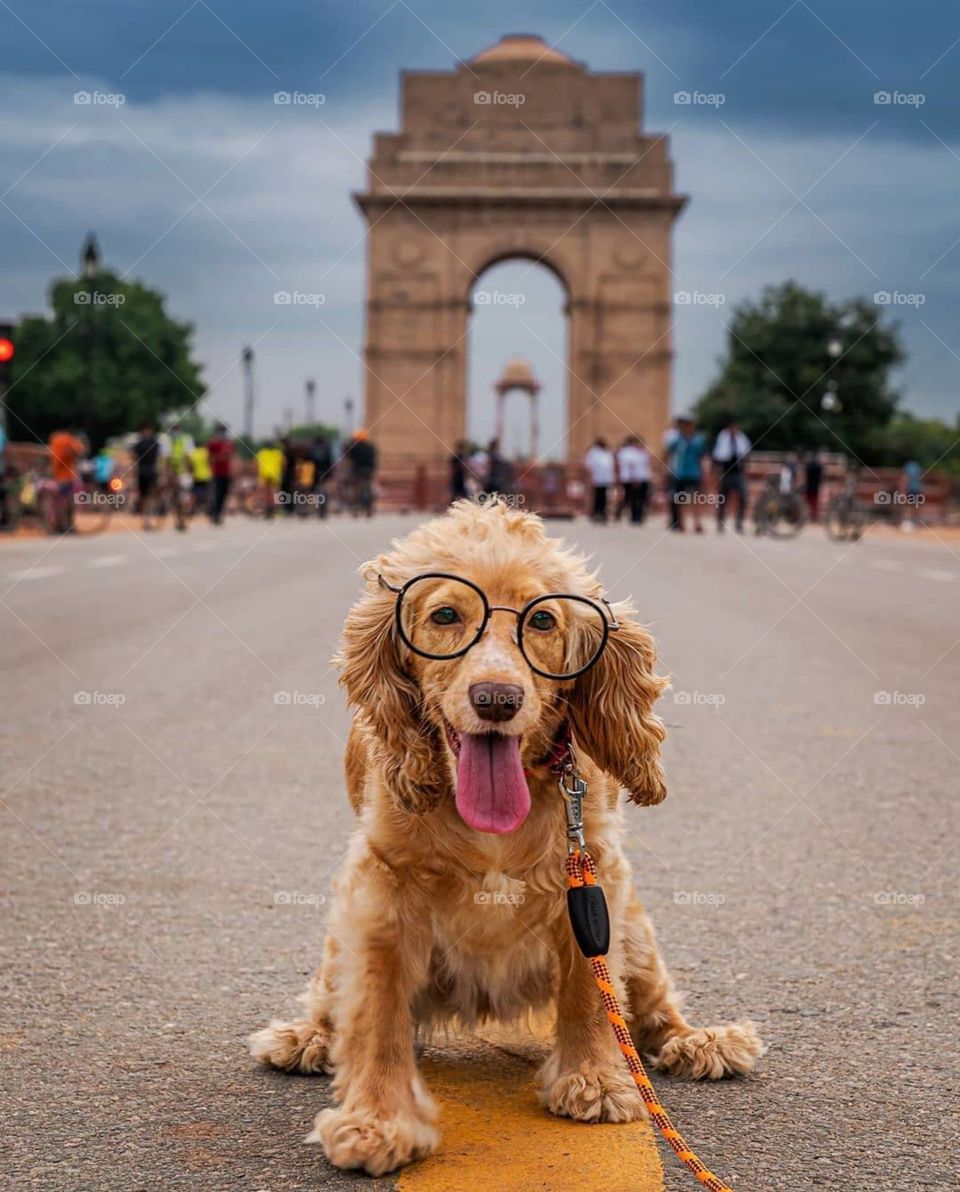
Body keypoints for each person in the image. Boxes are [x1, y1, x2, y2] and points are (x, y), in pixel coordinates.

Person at [667, 417, 707, 532]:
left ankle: (697, 523)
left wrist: (703, 472)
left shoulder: (698, 441)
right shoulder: (677, 441)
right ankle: (681, 522)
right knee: (681, 499)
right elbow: (669, 454)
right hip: (680, 473)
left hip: (694, 473)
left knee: (696, 499)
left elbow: (701, 458)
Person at [712, 418, 751, 533]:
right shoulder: (722, 439)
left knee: (743, 497)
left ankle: (739, 524)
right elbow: (718, 456)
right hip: (726, 473)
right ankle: (720, 523)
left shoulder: (742, 439)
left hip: (738, 473)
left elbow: (746, 455)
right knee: (722, 499)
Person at [48, 427, 86, 533]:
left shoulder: (55, 439)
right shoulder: (69, 440)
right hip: (67, 477)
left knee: (59, 502)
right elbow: (79, 450)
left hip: (58, 476)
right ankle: (66, 525)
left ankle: (58, 526)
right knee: (67, 503)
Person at [165, 423, 195, 531]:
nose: (175, 431)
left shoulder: (186, 440)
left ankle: (183, 519)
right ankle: (178, 520)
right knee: (175, 499)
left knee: (184, 498)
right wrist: (169, 473)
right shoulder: (167, 441)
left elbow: (189, 459)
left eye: (176, 428)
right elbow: (166, 459)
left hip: (183, 474)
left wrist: (189, 472)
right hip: (172, 474)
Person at [616, 435, 652, 524]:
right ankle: (632, 515)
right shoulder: (630, 452)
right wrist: (635, 477)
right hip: (634, 479)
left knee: (641, 498)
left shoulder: (643, 453)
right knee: (633, 498)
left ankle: (638, 516)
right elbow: (632, 466)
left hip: (643, 478)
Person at [133, 422, 161, 530]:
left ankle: (149, 520)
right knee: (144, 497)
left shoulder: (153, 443)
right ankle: (146, 520)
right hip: (143, 473)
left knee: (150, 497)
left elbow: (158, 459)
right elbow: (134, 459)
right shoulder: (141, 444)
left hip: (150, 473)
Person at [206, 423, 234, 525]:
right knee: (216, 494)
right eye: (222, 430)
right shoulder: (213, 443)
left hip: (226, 473)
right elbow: (208, 457)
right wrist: (219, 457)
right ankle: (215, 514)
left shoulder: (229, 443)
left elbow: (232, 458)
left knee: (224, 494)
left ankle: (219, 513)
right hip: (216, 473)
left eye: (224, 430)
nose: (223, 432)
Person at [345, 428, 377, 516]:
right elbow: (374, 459)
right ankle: (369, 509)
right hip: (369, 470)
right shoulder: (370, 447)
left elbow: (348, 457)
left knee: (356, 489)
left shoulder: (355, 447)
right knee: (368, 488)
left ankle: (355, 509)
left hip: (357, 471)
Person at [584, 437, 615, 523]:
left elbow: (611, 466)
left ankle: (602, 514)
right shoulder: (592, 452)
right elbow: (589, 466)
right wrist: (590, 478)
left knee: (604, 497)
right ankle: (595, 514)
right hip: (596, 479)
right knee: (596, 497)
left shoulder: (607, 453)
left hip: (606, 479)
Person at [256, 438, 284, 518]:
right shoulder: (278, 453)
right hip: (274, 474)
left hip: (264, 475)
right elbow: (283, 464)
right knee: (274, 493)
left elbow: (256, 465)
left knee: (266, 494)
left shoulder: (262, 453)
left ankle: (267, 510)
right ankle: (273, 510)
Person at [311, 434, 332, 518]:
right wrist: (330, 473)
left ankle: (319, 507)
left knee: (317, 490)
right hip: (325, 472)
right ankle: (324, 506)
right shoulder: (326, 449)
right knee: (325, 489)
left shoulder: (312, 449)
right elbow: (330, 461)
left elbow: (310, 461)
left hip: (315, 473)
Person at [189, 440, 212, 516]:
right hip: (206, 476)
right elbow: (210, 462)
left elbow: (191, 466)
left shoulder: (193, 453)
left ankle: (193, 510)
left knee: (194, 494)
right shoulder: (206, 452)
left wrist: (192, 473)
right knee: (207, 494)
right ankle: (208, 509)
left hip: (196, 477)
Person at [804, 448, 825, 522]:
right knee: (815, 504)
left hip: (809, 486)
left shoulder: (808, 466)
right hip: (816, 486)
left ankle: (810, 517)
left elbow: (806, 475)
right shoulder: (818, 466)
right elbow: (822, 476)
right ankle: (815, 518)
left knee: (808, 503)